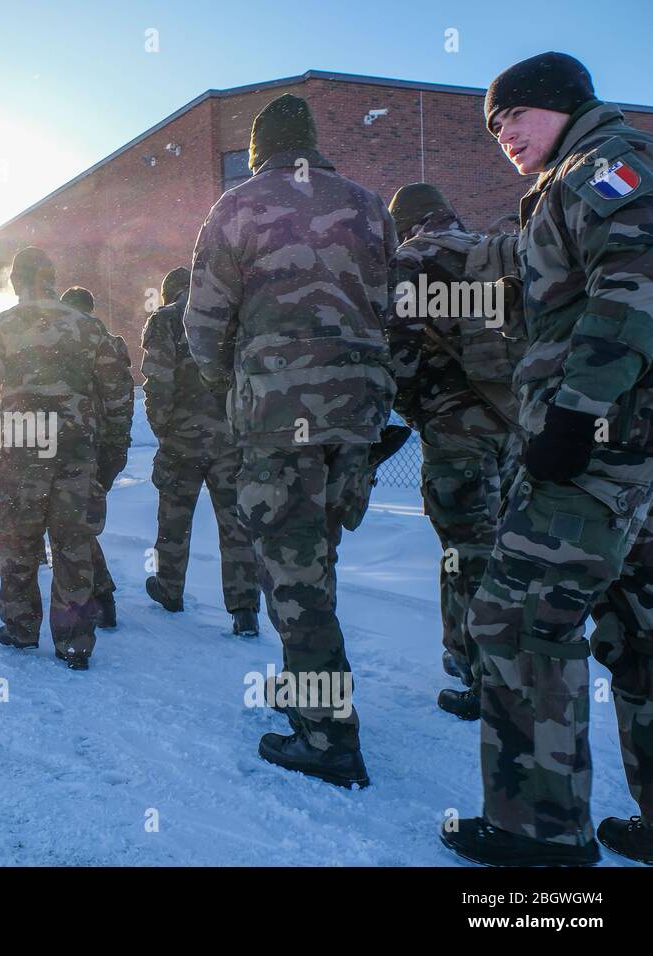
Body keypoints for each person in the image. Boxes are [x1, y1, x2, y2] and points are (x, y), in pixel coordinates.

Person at [442, 52, 653, 867]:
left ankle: (539, 832)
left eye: (513, 118)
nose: (504, 137)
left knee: (516, 621)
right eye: (493, 129)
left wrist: (574, 413)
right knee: (639, 634)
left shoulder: (605, 167)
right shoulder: (569, 180)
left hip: (598, 452)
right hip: (631, 452)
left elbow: (634, 285)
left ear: (562, 104)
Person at [183, 93, 396, 787]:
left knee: (293, 573)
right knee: (314, 559)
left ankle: (328, 738)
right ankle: (308, 685)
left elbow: (205, 325)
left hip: (280, 417)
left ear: (257, 150)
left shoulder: (239, 206)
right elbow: (394, 308)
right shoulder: (370, 205)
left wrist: (237, 381)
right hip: (356, 416)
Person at [385, 183, 525, 720]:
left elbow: (397, 348)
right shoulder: (495, 248)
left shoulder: (412, 258)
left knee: (466, 550)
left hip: (454, 427)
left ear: (407, 223)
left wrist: (406, 406)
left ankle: (490, 682)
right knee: (497, 547)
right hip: (513, 420)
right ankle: (466, 655)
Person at [0, 248, 132, 669]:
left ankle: (21, 629)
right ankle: (74, 642)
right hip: (77, 454)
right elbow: (117, 395)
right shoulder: (88, 327)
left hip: (23, 453)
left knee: (17, 542)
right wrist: (112, 452)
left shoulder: (0, 326)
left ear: (16, 282)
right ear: (52, 279)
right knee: (74, 546)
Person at [141, 266, 261, 636]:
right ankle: (244, 609)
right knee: (237, 525)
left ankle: (170, 589)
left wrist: (164, 429)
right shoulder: (230, 316)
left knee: (174, 521)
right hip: (231, 438)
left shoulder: (164, 320)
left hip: (182, 438)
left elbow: (157, 383)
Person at [59, 286, 135, 628]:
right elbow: (122, 398)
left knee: (75, 524)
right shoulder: (111, 342)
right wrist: (117, 445)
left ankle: (100, 599)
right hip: (103, 448)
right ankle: (101, 598)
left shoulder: (63, 344)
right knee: (80, 522)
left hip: (78, 448)